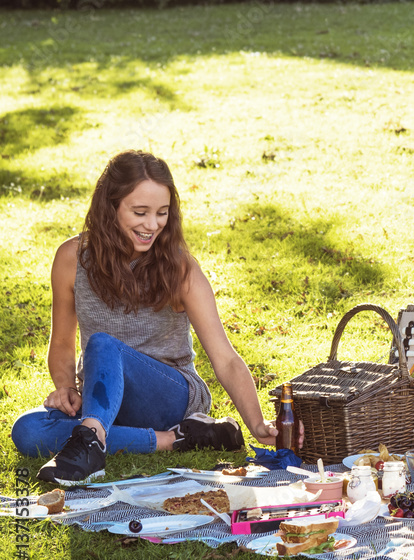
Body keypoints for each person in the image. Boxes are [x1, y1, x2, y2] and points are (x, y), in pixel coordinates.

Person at [12, 151, 290, 485]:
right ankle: (176, 439)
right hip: (102, 398)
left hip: (169, 395)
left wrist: (257, 423)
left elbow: (225, 357)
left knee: (102, 344)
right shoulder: (71, 259)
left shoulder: (179, 267)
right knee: (27, 430)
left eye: (162, 213)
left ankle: (91, 442)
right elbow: (60, 343)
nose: (152, 225)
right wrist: (65, 387)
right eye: (140, 212)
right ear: (110, 207)